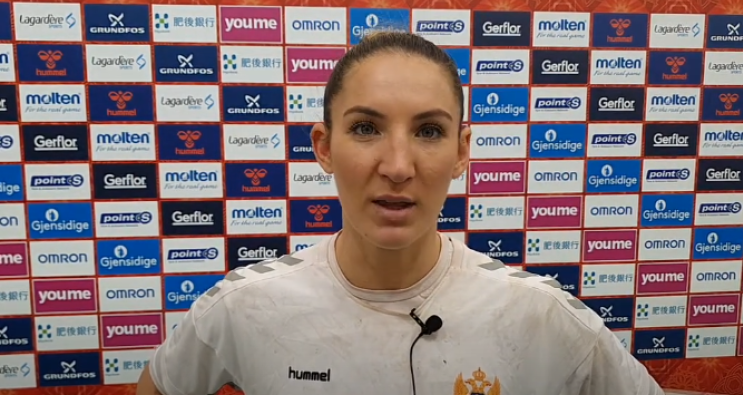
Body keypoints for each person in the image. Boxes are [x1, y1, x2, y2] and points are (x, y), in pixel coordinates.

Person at [137, 31, 665, 395]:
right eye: (366, 128)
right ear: (324, 147)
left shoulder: (542, 316)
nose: (396, 166)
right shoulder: (241, 307)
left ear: (461, 152)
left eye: (429, 131)